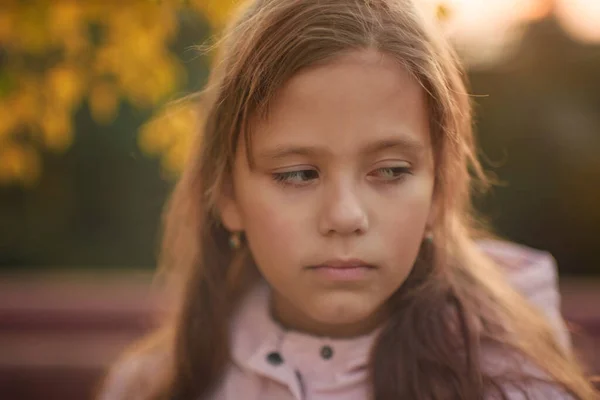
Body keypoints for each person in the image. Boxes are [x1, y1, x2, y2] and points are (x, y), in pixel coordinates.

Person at [97, 0, 598, 399]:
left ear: (439, 190)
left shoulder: (515, 383)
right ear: (227, 194)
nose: (344, 217)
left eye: (391, 171)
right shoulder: (154, 386)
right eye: (297, 174)